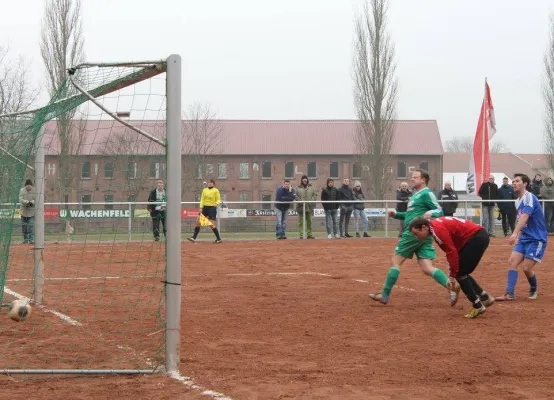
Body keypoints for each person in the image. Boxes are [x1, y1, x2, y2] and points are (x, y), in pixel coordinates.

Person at [368, 169, 457, 305]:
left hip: (414, 233)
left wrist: (430, 213)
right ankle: (452, 288)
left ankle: (384, 295)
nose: (412, 179)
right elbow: (409, 216)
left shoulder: (426, 193)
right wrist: (396, 214)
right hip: (421, 233)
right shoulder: (415, 196)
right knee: (427, 268)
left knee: (395, 262)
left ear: (423, 180)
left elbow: (440, 211)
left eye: (415, 177)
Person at [409, 217, 496, 318]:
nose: (417, 237)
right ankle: (484, 297)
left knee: (460, 273)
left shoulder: (437, 231)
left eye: (416, 233)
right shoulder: (435, 225)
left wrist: (452, 275)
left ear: (423, 227)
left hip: (476, 238)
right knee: (461, 271)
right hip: (477, 235)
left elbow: (451, 251)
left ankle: (478, 305)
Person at [496, 173, 547, 301]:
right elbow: (520, 219)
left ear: (525, 184)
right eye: (513, 181)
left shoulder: (529, 197)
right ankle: (509, 293)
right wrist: (518, 235)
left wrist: (514, 233)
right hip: (525, 237)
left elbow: (524, 217)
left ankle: (533, 288)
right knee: (512, 262)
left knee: (526, 268)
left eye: (517, 181)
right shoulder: (517, 201)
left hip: (537, 238)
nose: (514, 183)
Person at [188, 179, 222, 243]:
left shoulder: (216, 190)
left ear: (213, 184)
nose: (209, 183)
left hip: (212, 208)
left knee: (211, 224)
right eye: (209, 183)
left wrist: (216, 203)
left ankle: (219, 239)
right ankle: (194, 238)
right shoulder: (204, 190)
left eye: (211, 183)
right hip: (205, 208)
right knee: (198, 222)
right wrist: (201, 207)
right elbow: (202, 200)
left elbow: (218, 199)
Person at [295, 175, 317, 239]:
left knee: (309, 222)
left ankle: (309, 234)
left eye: (306, 179)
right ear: (301, 180)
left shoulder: (311, 188)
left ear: (307, 180)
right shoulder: (298, 188)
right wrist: (300, 201)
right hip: (301, 207)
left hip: (309, 207)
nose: (304, 181)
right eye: (303, 179)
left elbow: (315, 195)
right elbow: (295, 196)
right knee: (300, 222)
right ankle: (301, 235)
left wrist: (311, 201)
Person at [19, 179, 37, 244]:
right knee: (24, 226)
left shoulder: (35, 190)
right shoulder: (22, 190)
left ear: (31, 186)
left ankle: (32, 240)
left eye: (30, 185)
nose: (28, 187)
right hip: (23, 212)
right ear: (25, 185)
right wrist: (27, 202)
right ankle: (26, 240)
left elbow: (36, 199)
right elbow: (20, 199)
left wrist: (31, 203)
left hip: (31, 212)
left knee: (31, 226)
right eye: (27, 185)